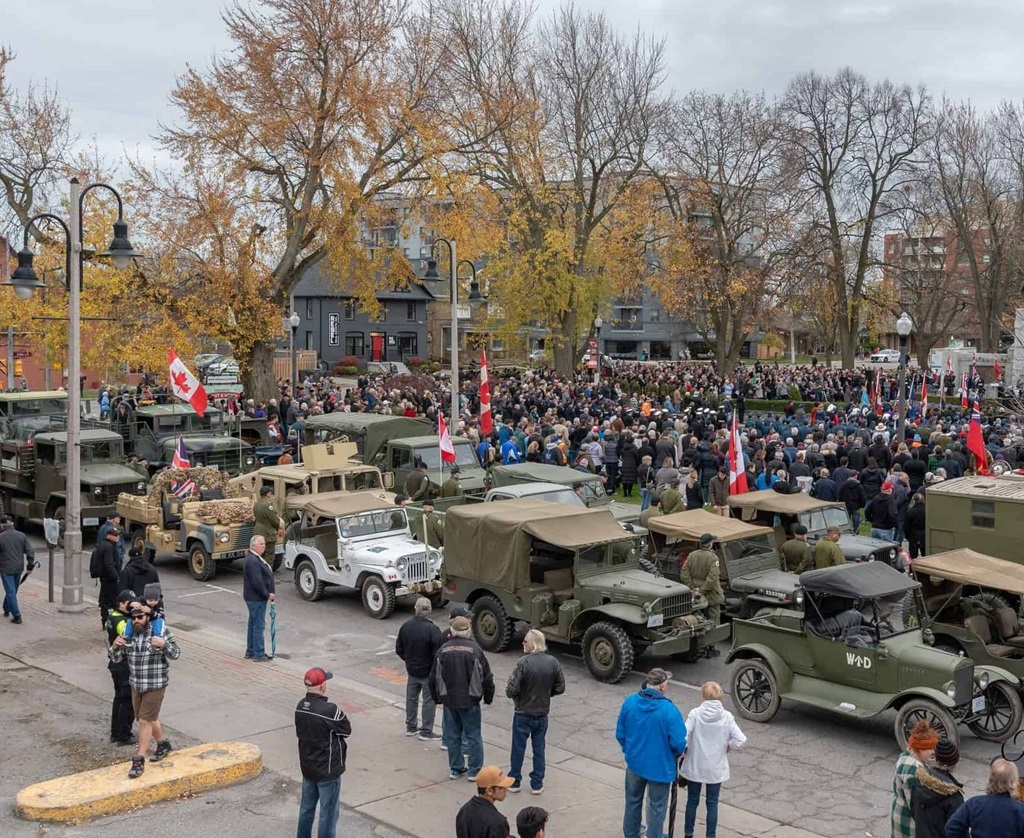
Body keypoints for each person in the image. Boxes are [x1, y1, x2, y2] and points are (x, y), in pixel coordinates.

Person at [109, 604, 181, 778]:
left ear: (148, 617)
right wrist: (115, 646)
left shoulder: (160, 632)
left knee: (144, 721)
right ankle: (163, 744)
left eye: (140, 617)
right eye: (133, 618)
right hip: (137, 684)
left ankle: (139, 759)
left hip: (155, 684)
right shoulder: (129, 634)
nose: (136, 621)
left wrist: (163, 645)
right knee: (149, 718)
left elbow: (176, 653)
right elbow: (116, 658)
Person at [616, 668, 687, 838]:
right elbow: (679, 743)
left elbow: (620, 733)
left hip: (635, 763)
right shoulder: (669, 711)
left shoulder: (630, 702)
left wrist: (629, 750)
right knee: (657, 807)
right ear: (662, 687)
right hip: (660, 768)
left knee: (632, 800)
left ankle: (631, 833)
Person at [430, 614, 495, 780]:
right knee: (473, 736)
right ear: (468, 630)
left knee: (453, 736)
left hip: (449, 700)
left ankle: (456, 768)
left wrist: (436, 698)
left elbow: (434, 677)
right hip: (471, 700)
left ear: (452, 631)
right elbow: (486, 677)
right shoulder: (475, 650)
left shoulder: (443, 650)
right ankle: (474, 770)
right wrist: (488, 697)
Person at [681, 681, 747, 838]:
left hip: (695, 765)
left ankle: (688, 833)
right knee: (712, 804)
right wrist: (728, 746)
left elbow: (683, 735)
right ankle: (711, 835)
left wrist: (685, 748)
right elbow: (740, 739)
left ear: (703, 696)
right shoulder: (726, 717)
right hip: (715, 769)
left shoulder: (695, 713)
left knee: (692, 801)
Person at [505, 629, 565, 795]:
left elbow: (511, 690)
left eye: (525, 641)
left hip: (523, 712)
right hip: (542, 713)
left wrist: (519, 695)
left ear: (532, 643)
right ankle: (537, 784)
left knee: (518, 748)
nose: (523, 644)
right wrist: (547, 693)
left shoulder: (523, 663)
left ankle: (515, 780)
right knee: (539, 749)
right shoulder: (553, 662)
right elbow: (560, 687)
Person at [295, 667, 352, 838]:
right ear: (322, 686)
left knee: (306, 809)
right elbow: (346, 730)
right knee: (328, 814)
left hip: (308, 767)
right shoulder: (330, 710)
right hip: (327, 771)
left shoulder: (300, 706)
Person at [395, 597, 443, 740]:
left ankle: (411, 726)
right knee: (429, 701)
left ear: (415, 609)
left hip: (412, 670)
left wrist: (408, 660)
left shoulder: (406, 626)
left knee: (411, 698)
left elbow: (399, 649)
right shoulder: (433, 630)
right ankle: (426, 731)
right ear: (429, 611)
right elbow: (438, 653)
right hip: (428, 671)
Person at [945, 758, 1024, 837]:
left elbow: (952, 827)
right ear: (1014, 781)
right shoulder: (1020, 809)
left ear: (991, 779)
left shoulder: (974, 804)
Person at [891, 720, 937, 838]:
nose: (933, 752)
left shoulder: (904, 757)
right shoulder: (915, 770)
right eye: (929, 749)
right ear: (919, 749)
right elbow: (916, 804)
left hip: (899, 812)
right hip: (908, 821)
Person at [910, 737, 963, 838]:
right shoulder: (953, 797)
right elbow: (958, 831)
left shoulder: (919, 781)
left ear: (936, 758)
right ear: (955, 761)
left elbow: (913, 810)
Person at [105, 590, 137, 745]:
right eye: (129, 603)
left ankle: (115, 732)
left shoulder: (112, 617)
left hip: (114, 664)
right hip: (123, 664)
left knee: (118, 698)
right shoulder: (123, 622)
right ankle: (124, 734)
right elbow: (130, 637)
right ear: (122, 604)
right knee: (127, 700)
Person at [455, 766, 515, 838]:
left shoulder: (464, 811)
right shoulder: (497, 822)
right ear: (489, 790)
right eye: (501, 787)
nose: (506, 790)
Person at [243, 535, 276, 661]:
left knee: (253, 624)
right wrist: (267, 594)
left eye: (264, 544)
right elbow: (257, 581)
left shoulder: (254, 558)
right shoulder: (253, 561)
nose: (263, 546)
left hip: (253, 597)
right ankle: (258, 653)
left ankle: (250, 651)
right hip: (256, 598)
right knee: (258, 625)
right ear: (253, 546)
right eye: (261, 544)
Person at [679, 534, 723, 625]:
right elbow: (713, 577)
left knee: (697, 619)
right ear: (710, 544)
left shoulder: (692, 555)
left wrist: (692, 587)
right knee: (714, 618)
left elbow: (684, 573)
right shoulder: (713, 558)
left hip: (695, 593)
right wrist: (703, 590)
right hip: (711, 594)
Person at [0, 516, 34, 625]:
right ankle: (6, 608)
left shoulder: (1, 537)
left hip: (6, 569)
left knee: (10, 591)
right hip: (18, 568)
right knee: (12, 590)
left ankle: (17, 615)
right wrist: (30, 565)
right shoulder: (21, 536)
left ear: (2, 525)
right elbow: (30, 551)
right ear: (13, 524)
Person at [94, 524, 123, 629]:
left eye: (118, 535)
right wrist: (116, 577)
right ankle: (114, 623)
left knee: (104, 600)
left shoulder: (104, 545)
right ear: (109, 536)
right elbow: (109, 564)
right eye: (115, 535)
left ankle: (105, 621)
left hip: (105, 578)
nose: (118, 537)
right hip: (109, 579)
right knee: (114, 601)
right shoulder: (109, 547)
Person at [253, 486, 282, 569]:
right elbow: (274, 520)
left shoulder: (257, 504)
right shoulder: (267, 506)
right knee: (269, 556)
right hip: (268, 534)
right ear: (267, 494)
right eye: (270, 492)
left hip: (258, 532)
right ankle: (266, 574)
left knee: (259, 555)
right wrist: (277, 526)